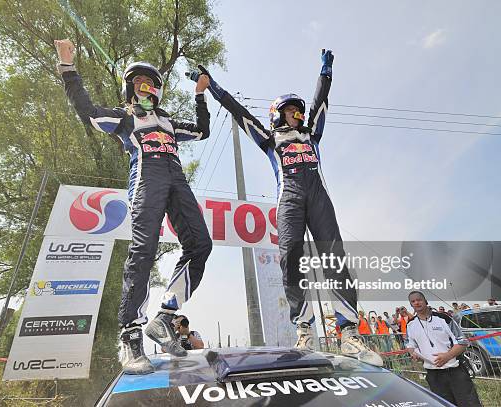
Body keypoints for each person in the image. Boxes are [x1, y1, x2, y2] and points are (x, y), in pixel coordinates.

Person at [190, 50, 382, 366]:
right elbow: (239, 113)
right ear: (278, 114)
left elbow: (320, 103)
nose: (297, 114)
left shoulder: (312, 135)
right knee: (290, 259)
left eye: (298, 110)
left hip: (320, 199)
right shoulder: (269, 138)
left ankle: (349, 334)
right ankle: (304, 328)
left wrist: (326, 72)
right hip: (289, 200)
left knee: (335, 259)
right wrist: (211, 86)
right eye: (291, 110)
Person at [54, 39, 213, 374]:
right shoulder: (123, 117)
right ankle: (131, 335)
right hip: (146, 177)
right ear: (130, 88)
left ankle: (165, 317)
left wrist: (200, 95)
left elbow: (202, 131)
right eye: (139, 82)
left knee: (200, 244)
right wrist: (68, 68)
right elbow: (87, 112)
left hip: (176, 178)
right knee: (144, 249)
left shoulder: (168, 120)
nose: (146, 87)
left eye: (151, 83)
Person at [406, 291, 482, 407]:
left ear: (425, 301)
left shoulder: (443, 318)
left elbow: (462, 342)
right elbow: (410, 345)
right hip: (433, 375)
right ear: (411, 305)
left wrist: (447, 356)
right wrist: (413, 353)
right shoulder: (411, 325)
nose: (416, 303)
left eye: (419, 299)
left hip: (454, 371)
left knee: (469, 403)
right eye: (413, 301)